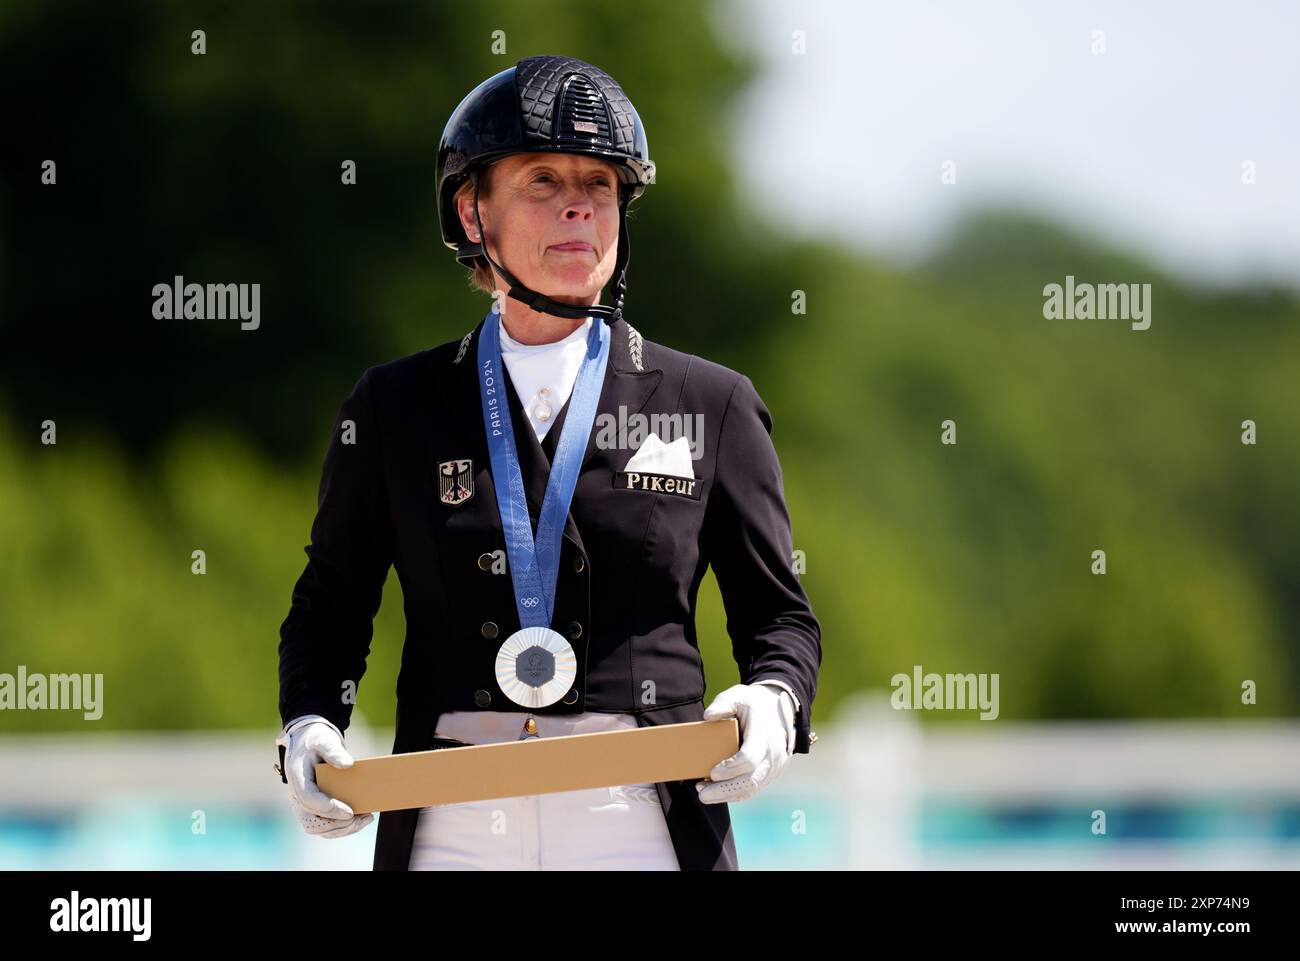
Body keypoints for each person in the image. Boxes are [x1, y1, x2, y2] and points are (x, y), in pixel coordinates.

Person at [275, 54, 822, 870]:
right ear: (471, 212)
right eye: (542, 180)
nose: (578, 203)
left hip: (642, 811)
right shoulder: (393, 406)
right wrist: (308, 723)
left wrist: (774, 700)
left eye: (600, 185)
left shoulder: (714, 401)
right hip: (450, 815)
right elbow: (332, 603)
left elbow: (780, 615)